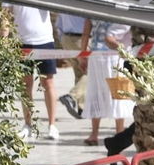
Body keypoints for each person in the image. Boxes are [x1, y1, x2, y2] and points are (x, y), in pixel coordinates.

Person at [10, 4, 59, 140]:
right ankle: (27, 125)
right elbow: (5, 14)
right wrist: (4, 39)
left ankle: (52, 125)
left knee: (47, 82)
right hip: (21, 42)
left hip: (44, 40)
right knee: (26, 84)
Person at [81, 18, 133, 146]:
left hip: (96, 53)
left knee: (96, 91)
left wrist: (82, 56)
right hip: (116, 54)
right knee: (118, 92)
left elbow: (86, 33)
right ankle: (119, 132)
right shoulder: (117, 8)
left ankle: (94, 134)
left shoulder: (91, 7)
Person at [53, 11, 87, 119]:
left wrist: (62, 39)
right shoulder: (87, 2)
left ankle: (82, 108)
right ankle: (72, 96)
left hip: (67, 38)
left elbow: (58, 24)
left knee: (79, 73)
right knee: (91, 72)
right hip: (82, 39)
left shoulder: (67, 1)